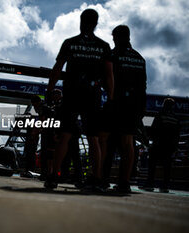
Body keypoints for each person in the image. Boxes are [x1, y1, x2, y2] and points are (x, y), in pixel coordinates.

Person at [44, 9, 114, 190]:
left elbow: (58, 67)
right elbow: (109, 75)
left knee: (64, 137)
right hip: (92, 95)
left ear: (81, 21)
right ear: (96, 23)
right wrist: (111, 98)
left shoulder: (70, 43)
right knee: (93, 138)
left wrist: (49, 91)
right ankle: (97, 179)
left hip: (72, 94)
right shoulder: (103, 46)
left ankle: (53, 176)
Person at [107, 25, 147, 192]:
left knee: (108, 141)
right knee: (128, 141)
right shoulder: (140, 58)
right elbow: (143, 84)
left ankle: (102, 179)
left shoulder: (114, 54)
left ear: (117, 37)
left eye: (114, 37)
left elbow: (108, 78)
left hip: (118, 101)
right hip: (136, 104)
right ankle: (124, 182)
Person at [139, 98, 180, 193]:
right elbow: (177, 134)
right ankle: (165, 186)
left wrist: (150, 140)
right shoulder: (176, 118)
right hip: (169, 147)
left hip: (158, 144)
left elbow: (153, 130)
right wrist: (174, 146)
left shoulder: (160, 115)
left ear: (164, 105)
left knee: (152, 164)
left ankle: (150, 184)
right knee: (167, 167)